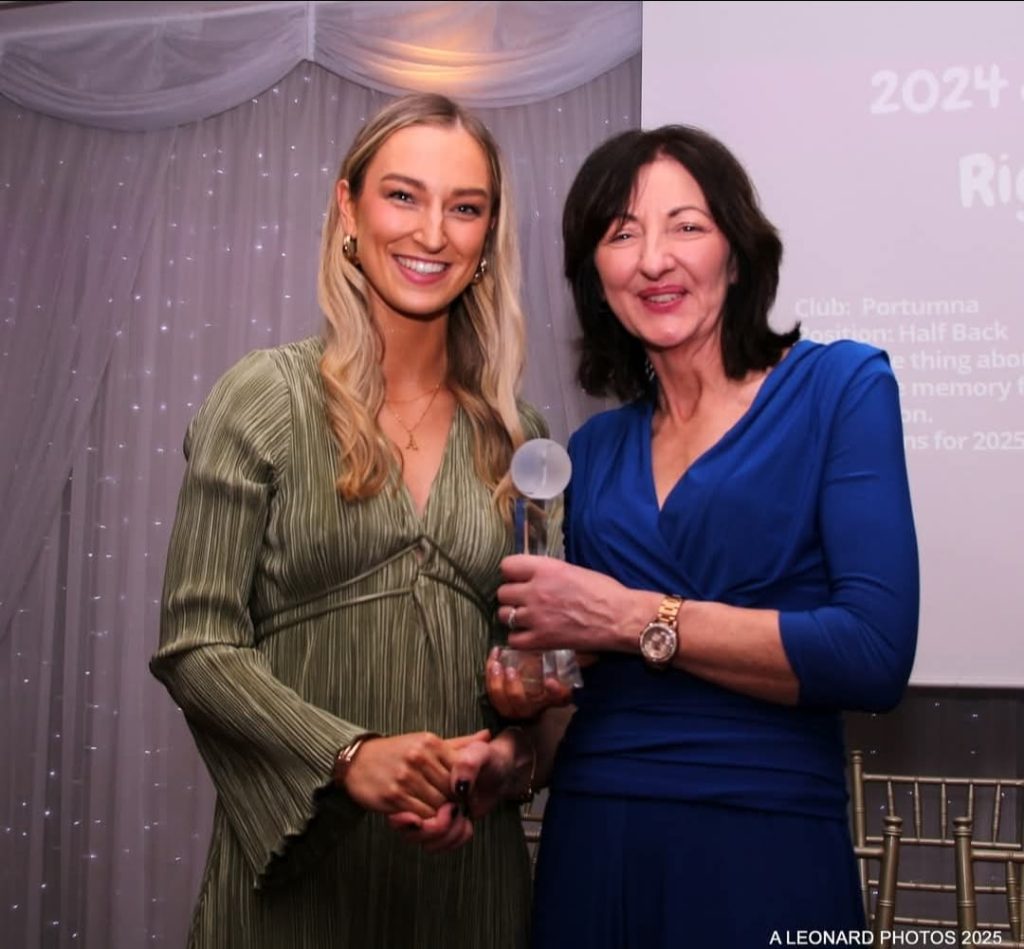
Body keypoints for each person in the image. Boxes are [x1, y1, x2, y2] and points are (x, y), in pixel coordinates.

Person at [484, 125, 920, 948]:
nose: (653, 259)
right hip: (592, 840)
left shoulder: (841, 387)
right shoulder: (595, 452)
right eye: (621, 233)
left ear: (738, 250)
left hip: (764, 842)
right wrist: (521, 728)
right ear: (594, 276)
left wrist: (628, 616)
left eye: (686, 225)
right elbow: (577, 701)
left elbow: (872, 653)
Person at [150, 93, 542, 949]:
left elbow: (541, 691)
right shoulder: (262, 398)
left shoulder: (521, 438)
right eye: (403, 195)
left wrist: (508, 758)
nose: (433, 233)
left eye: (465, 207)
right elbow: (195, 642)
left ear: (488, 238)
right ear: (348, 209)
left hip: (465, 885)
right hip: (300, 878)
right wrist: (348, 754)